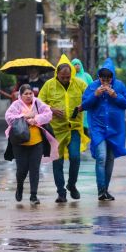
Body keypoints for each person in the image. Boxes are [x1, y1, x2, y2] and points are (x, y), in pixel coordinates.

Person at [39, 55, 89, 203]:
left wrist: (82, 106)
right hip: (56, 130)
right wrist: (52, 109)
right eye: (63, 77)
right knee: (57, 161)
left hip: (74, 128)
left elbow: (90, 99)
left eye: (68, 77)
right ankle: (61, 192)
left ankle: (72, 185)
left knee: (75, 157)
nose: (66, 80)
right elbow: (39, 103)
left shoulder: (79, 84)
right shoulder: (49, 85)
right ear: (57, 75)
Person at [82, 58, 126, 201]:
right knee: (101, 157)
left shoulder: (119, 86)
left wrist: (115, 96)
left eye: (108, 78)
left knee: (110, 158)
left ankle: (105, 190)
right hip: (97, 127)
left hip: (115, 129)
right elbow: (85, 104)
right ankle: (100, 190)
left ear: (112, 77)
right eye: (102, 78)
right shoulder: (92, 86)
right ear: (99, 77)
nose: (105, 81)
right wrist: (95, 95)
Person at [4, 84, 59, 205]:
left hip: (37, 142)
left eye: (30, 93)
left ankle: (34, 195)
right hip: (20, 143)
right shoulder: (16, 105)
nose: (29, 96)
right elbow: (8, 118)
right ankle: (19, 187)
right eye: (26, 94)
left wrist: (37, 118)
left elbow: (48, 113)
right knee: (22, 170)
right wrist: (24, 117)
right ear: (20, 95)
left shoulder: (38, 103)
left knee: (35, 169)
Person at [72, 59, 94, 133]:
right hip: (74, 103)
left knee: (85, 124)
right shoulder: (70, 77)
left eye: (79, 64)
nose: (77, 66)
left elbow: (92, 88)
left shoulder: (86, 76)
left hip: (85, 102)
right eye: (75, 64)